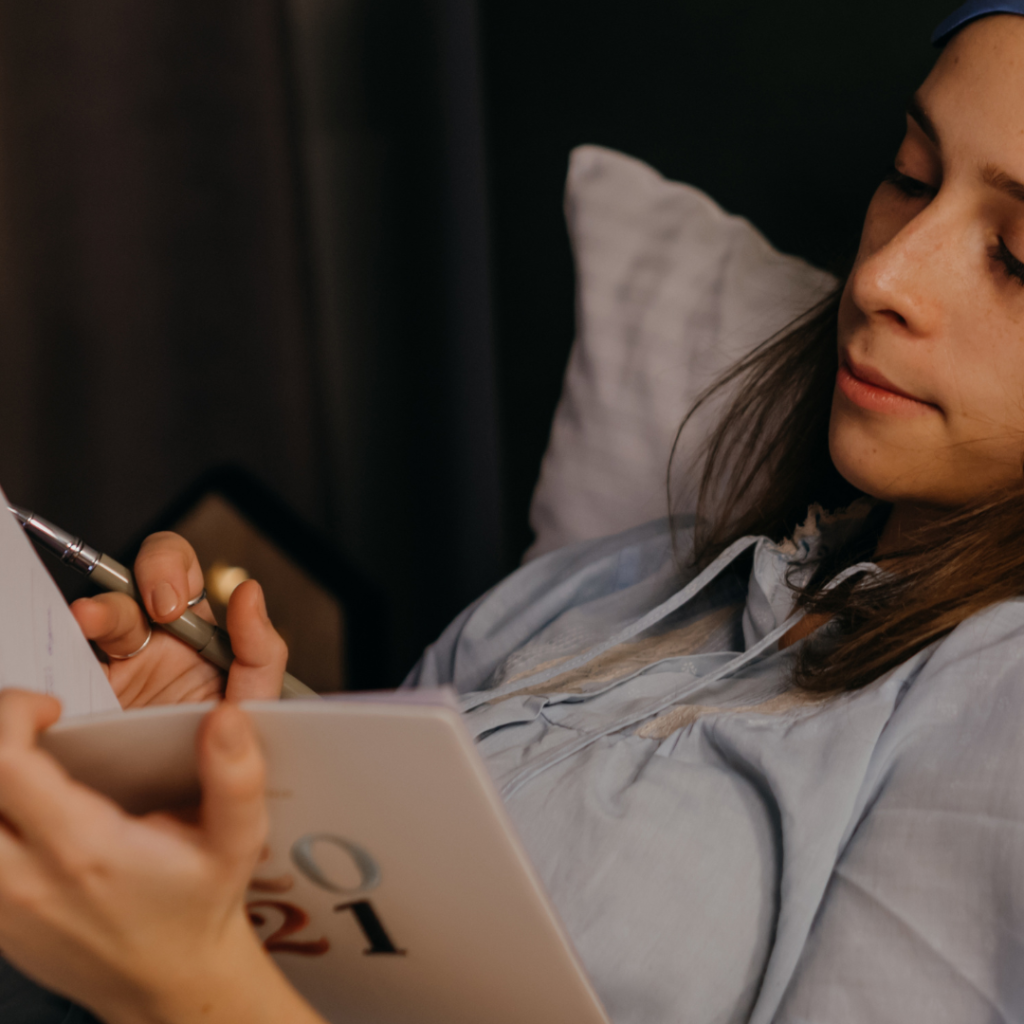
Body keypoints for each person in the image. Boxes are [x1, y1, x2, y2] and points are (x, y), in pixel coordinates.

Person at [3, 3, 1024, 1021]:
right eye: (908, 176)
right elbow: (382, 933)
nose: (885, 275)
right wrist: (228, 775)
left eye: (1017, 255)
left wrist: (191, 985)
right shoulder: (615, 585)